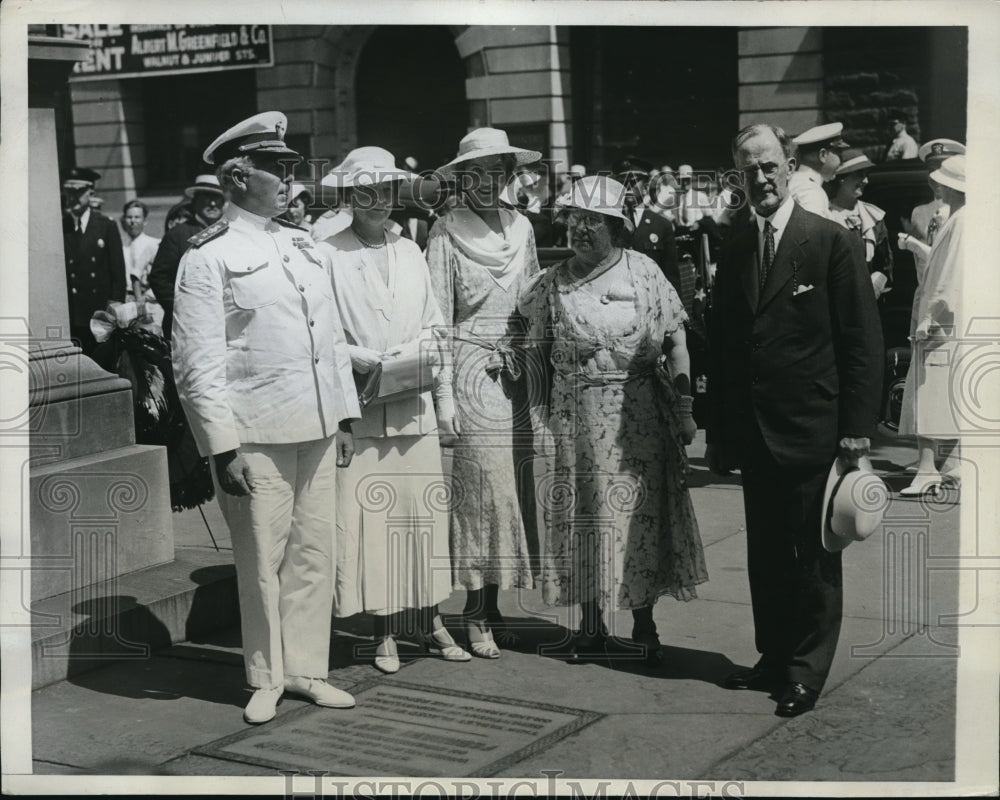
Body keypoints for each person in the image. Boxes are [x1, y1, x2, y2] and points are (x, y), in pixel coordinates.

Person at [172, 111, 361, 725]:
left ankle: (307, 671)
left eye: (289, 166)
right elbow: (195, 364)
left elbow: (327, 340)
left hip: (317, 424)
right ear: (235, 176)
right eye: (275, 168)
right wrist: (222, 449)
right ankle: (266, 677)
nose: (288, 178)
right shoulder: (207, 258)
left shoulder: (298, 245)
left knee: (314, 553)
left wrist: (344, 415)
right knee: (260, 562)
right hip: (256, 433)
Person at [707, 123, 882, 717]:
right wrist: (722, 433)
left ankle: (806, 671)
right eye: (748, 169)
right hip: (756, 431)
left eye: (769, 166)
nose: (760, 178)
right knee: (766, 552)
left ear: (790, 167)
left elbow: (862, 342)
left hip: (813, 425)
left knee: (812, 555)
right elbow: (729, 348)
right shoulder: (734, 247)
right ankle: (774, 657)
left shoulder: (828, 241)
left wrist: (858, 427)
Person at [517, 175, 707, 664]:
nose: (580, 231)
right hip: (575, 417)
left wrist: (685, 410)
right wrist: (538, 417)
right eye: (573, 220)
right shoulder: (551, 285)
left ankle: (644, 624)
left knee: (638, 517)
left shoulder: (643, 271)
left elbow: (677, 343)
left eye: (592, 222)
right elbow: (536, 355)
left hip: (637, 417)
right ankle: (590, 627)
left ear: (617, 226)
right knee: (584, 519)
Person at [321, 146, 470, 673]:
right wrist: (367, 360)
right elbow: (324, 335)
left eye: (386, 192)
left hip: (415, 407)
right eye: (366, 192)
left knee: (421, 519)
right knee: (374, 523)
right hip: (362, 409)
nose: (378, 202)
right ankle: (383, 629)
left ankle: (430, 620)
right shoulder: (328, 252)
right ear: (349, 196)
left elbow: (435, 323)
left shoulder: (411, 250)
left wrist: (442, 401)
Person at [425, 127, 541, 658]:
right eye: (480, 172)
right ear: (463, 177)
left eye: (501, 171)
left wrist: (537, 368)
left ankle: (491, 608)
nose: (491, 182)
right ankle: (473, 613)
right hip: (471, 374)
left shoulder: (523, 228)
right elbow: (437, 322)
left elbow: (537, 301)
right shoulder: (445, 233)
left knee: (511, 493)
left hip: (515, 375)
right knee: (480, 495)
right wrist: (443, 399)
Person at [897, 155, 965, 496]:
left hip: (941, 320)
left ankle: (926, 468)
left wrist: (930, 316)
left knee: (928, 389)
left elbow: (947, 276)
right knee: (945, 391)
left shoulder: (960, 221)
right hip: (950, 318)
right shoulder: (963, 219)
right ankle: (951, 463)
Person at [148, 174, 225, 340]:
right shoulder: (178, 234)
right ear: (195, 202)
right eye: (207, 198)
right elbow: (159, 278)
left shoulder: (231, 234)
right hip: (186, 327)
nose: (212, 204)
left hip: (223, 325)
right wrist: (183, 308)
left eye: (217, 198)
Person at [61, 167, 127, 356]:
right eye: (69, 192)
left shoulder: (106, 226)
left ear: (90, 193)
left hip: (99, 315)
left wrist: (114, 309)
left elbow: (118, 273)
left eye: (79, 192)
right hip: (72, 314)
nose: (73, 197)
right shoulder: (61, 226)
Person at [826, 150, 894, 300]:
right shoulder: (824, 215)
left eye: (866, 175)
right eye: (859, 175)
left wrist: (874, 286)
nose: (866, 181)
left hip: (870, 304)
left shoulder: (873, 217)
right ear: (841, 179)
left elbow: (884, 265)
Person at [614, 157, 681, 295]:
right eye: (622, 182)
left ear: (645, 188)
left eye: (632, 182)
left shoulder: (662, 225)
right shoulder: (608, 224)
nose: (627, 187)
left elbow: (671, 276)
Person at [788, 122, 851, 219]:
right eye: (838, 153)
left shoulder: (794, 181)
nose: (842, 161)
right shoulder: (811, 191)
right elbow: (811, 232)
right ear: (823, 155)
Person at [120, 199, 163, 325]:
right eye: (129, 217)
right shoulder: (119, 245)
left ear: (145, 221)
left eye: (137, 217)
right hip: (124, 301)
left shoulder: (154, 244)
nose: (132, 221)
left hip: (149, 302)